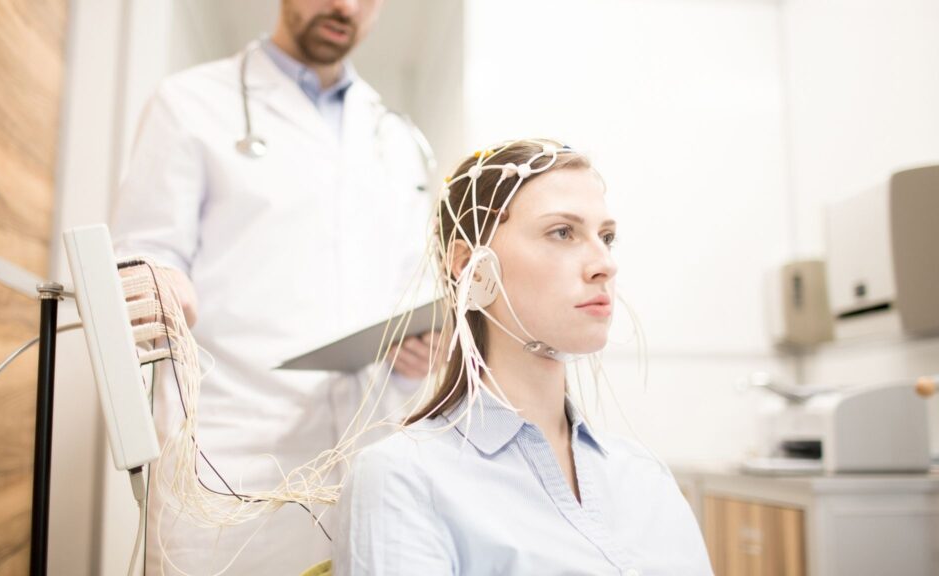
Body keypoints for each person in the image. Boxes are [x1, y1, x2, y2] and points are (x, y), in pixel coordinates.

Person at [110, 0, 437, 573]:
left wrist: (417, 346)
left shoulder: (399, 139)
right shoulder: (190, 104)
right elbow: (145, 254)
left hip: (371, 448)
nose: (345, 6)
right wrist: (158, 283)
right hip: (233, 449)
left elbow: (410, 282)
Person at [333, 140, 714, 575]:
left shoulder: (647, 477)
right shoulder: (402, 479)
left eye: (606, 237)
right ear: (470, 266)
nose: (604, 264)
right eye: (563, 232)